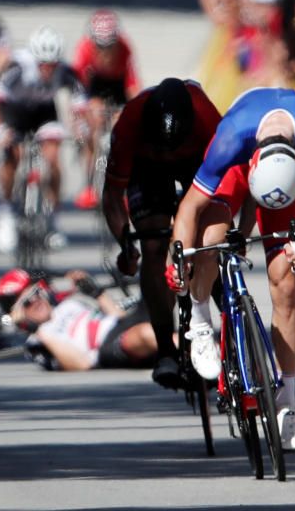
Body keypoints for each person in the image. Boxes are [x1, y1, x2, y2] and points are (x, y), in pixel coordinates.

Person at [168, 87, 295, 451]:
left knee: (286, 285)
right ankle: (200, 322)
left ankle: (287, 406)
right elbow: (189, 209)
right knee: (212, 236)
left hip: (284, 186)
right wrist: (179, 259)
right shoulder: (231, 137)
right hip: (237, 166)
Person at [101, 78, 222, 388]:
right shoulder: (130, 122)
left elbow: (231, 180)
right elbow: (113, 196)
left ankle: (230, 328)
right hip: (147, 169)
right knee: (153, 246)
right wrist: (127, 246)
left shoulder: (207, 118)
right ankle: (165, 351)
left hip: (196, 163)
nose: (169, 151)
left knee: (207, 242)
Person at [0, 26, 81, 254]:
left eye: (53, 65)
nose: (48, 70)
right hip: (15, 113)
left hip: (44, 113)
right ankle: (6, 213)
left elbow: (81, 102)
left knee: (53, 157)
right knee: (12, 156)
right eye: (43, 65)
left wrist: (81, 127)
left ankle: (53, 220)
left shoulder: (65, 71)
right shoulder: (17, 68)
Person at [0, 268, 157, 371]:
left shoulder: (67, 305)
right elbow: (83, 363)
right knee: (145, 333)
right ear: (17, 315)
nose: (37, 301)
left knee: (155, 276)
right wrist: (36, 330)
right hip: (107, 347)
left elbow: (119, 319)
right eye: (27, 302)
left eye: (37, 292)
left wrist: (97, 294)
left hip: (122, 327)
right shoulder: (37, 343)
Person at [69, 9, 141, 209]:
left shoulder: (125, 49)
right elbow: (77, 89)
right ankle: (90, 182)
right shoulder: (84, 49)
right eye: (100, 47)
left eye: (110, 46)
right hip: (94, 87)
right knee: (93, 121)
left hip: (117, 86)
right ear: (92, 41)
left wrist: (136, 112)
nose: (106, 52)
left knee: (124, 126)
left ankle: (125, 183)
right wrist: (80, 119)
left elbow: (133, 86)